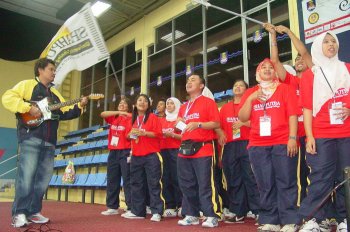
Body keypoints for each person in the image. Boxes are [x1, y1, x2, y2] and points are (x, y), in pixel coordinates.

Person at [2, 58, 88, 228]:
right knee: (26, 178)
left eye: (54, 69)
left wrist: (80, 106)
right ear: (40, 70)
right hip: (30, 137)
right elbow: (7, 97)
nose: (54, 72)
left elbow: (66, 113)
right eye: (51, 69)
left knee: (43, 180)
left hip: (50, 142)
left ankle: (33, 212)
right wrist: (27, 108)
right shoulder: (27, 85)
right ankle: (19, 213)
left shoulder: (56, 95)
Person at [238, 58, 299, 232]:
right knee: (265, 183)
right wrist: (250, 99)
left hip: (282, 141)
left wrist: (292, 138)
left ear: (275, 72)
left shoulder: (285, 89)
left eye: (270, 67)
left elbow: (293, 115)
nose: (267, 69)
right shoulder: (251, 92)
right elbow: (242, 118)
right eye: (262, 67)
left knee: (286, 180)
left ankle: (289, 220)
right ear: (257, 72)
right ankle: (270, 219)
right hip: (258, 144)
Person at [298, 31, 350, 232]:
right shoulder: (311, 74)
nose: (331, 45)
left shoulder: (347, 68)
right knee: (321, 177)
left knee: (346, 177)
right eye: (326, 42)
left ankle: (345, 219)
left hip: (346, 134)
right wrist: (310, 136)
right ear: (318, 46)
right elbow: (307, 108)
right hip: (321, 134)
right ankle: (310, 220)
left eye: (333, 41)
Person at [264, 23, 313, 204]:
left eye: (302, 58)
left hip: (314, 133)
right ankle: (303, 210)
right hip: (294, 136)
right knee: (297, 174)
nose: (299, 60)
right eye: (296, 59)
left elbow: (306, 53)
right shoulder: (290, 82)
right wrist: (273, 36)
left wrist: (289, 32)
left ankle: (325, 213)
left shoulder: (314, 77)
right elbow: (275, 61)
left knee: (316, 173)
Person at [176, 74, 222, 228]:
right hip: (184, 149)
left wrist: (199, 124)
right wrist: (179, 122)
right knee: (187, 184)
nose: (189, 82)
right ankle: (191, 214)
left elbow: (216, 123)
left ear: (202, 85)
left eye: (193, 80)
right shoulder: (183, 107)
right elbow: (180, 126)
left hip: (203, 148)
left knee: (205, 183)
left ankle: (212, 215)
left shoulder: (208, 102)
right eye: (188, 80)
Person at [218, 79, 260, 223]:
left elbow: (259, 121)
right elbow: (217, 124)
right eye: (235, 85)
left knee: (251, 177)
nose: (237, 87)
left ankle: (258, 210)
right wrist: (220, 133)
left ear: (247, 90)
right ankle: (238, 211)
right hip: (230, 146)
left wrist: (244, 123)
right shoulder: (224, 108)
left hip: (248, 143)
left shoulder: (252, 104)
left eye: (241, 85)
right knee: (233, 179)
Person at [121, 94, 165, 222]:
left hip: (152, 155)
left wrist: (144, 133)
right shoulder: (132, 119)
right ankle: (138, 211)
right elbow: (127, 136)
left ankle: (157, 211)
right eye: (140, 100)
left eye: (145, 101)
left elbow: (158, 134)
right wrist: (131, 134)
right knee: (136, 184)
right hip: (136, 156)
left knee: (154, 184)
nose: (142, 102)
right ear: (135, 104)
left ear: (148, 105)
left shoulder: (153, 117)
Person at [100, 98, 133, 215]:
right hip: (113, 151)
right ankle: (112, 207)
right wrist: (119, 112)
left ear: (129, 106)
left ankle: (131, 207)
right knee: (112, 179)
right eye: (120, 103)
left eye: (124, 103)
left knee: (127, 180)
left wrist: (126, 114)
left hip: (125, 151)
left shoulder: (131, 118)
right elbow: (102, 114)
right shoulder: (114, 117)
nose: (121, 104)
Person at [159, 97, 182, 217]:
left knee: (177, 178)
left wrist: (172, 135)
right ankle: (170, 205)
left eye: (172, 103)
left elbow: (185, 136)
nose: (168, 105)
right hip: (163, 151)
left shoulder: (180, 120)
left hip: (176, 150)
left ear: (177, 105)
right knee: (166, 178)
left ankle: (182, 204)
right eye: (167, 103)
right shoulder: (161, 120)